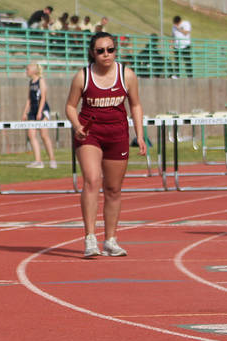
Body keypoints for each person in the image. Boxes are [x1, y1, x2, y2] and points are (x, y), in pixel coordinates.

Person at [65, 31, 146, 258]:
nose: (106, 55)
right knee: (92, 180)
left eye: (110, 50)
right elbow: (70, 106)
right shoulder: (83, 77)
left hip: (117, 134)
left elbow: (136, 105)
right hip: (90, 134)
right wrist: (76, 125)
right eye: (100, 51)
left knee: (113, 189)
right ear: (92, 53)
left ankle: (110, 240)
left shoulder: (126, 75)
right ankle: (90, 238)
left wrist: (139, 135)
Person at [22, 63, 56, 169]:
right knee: (31, 135)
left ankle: (52, 160)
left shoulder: (41, 80)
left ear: (34, 70)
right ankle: (38, 161)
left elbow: (43, 97)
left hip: (42, 110)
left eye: (28, 68)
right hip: (32, 111)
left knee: (44, 135)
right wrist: (25, 112)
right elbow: (29, 99)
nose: (26, 70)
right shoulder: (30, 82)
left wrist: (40, 111)